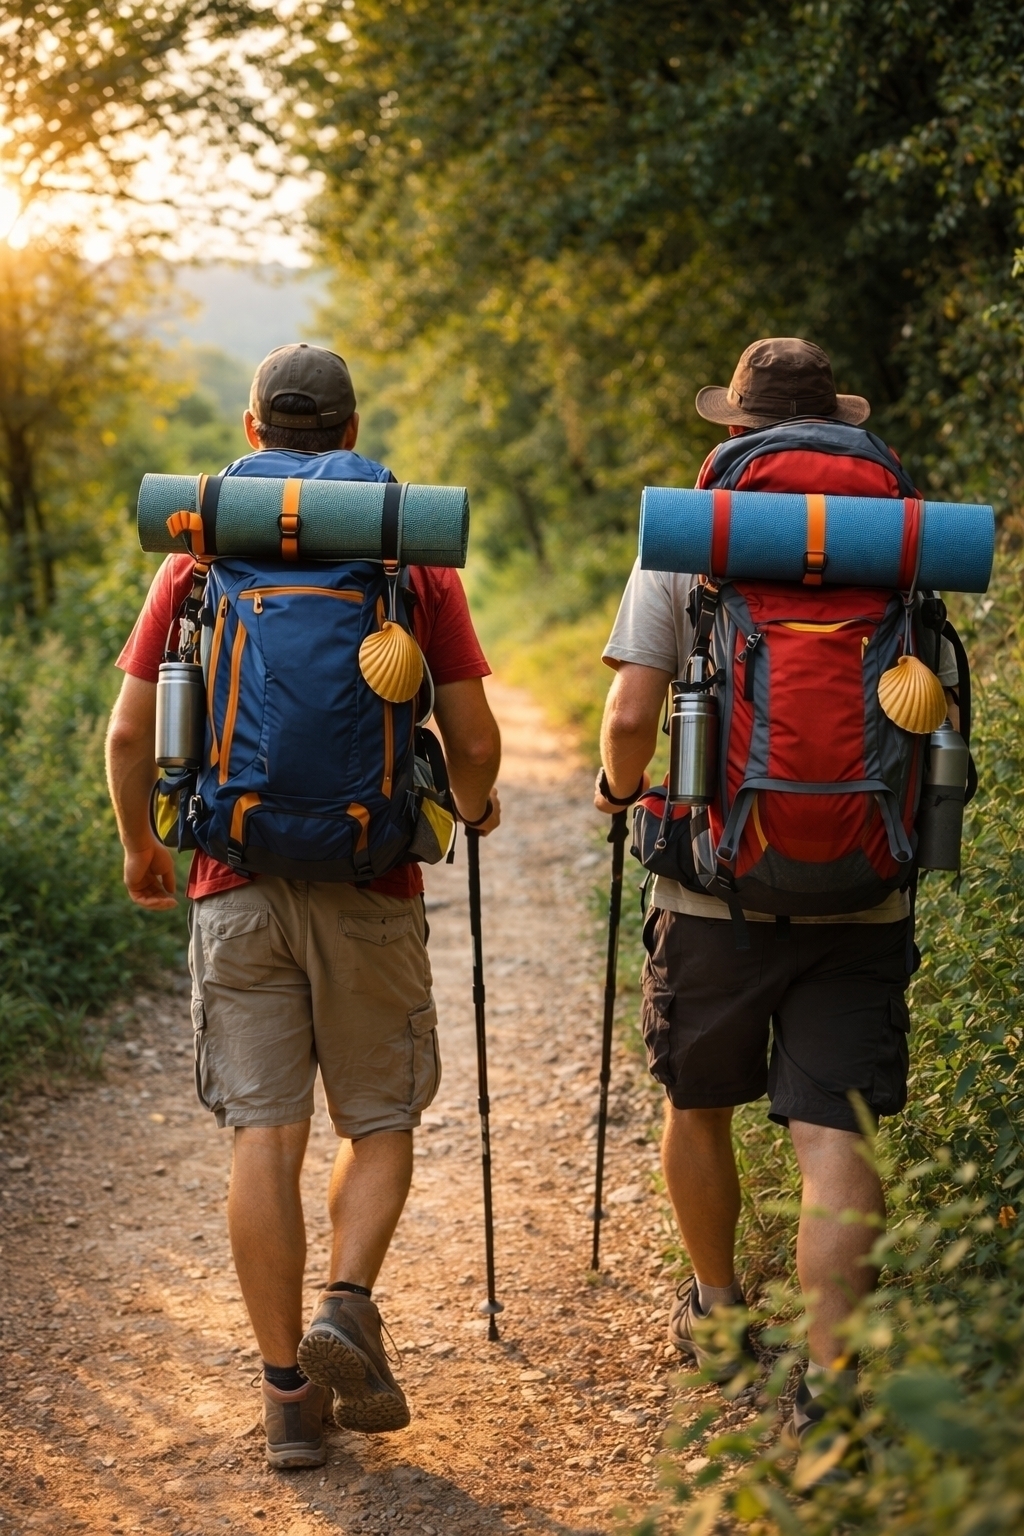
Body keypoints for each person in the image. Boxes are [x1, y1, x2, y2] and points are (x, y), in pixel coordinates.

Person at [106, 344, 502, 1468]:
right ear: (352, 429)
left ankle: (287, 1396)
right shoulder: (404, 554)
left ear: (251, 431)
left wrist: (142, 847)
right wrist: (474, 807)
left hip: (234, 878)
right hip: (371, 879)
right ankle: (347, 1302)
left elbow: (131, 734)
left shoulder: (199, 555)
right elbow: (472, 741)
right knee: (377, 1122)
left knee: (263, 1136)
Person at [594, 338, 959, 1443]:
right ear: (840, 424)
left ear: (736, 427)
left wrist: (621, 793)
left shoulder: (696, 537)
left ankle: (716, 1313)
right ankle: (832, 1388)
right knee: (834, 1132)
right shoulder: (899, 540)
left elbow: (629, 717)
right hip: (865, 883)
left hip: (715, 885)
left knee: (697, 1100)